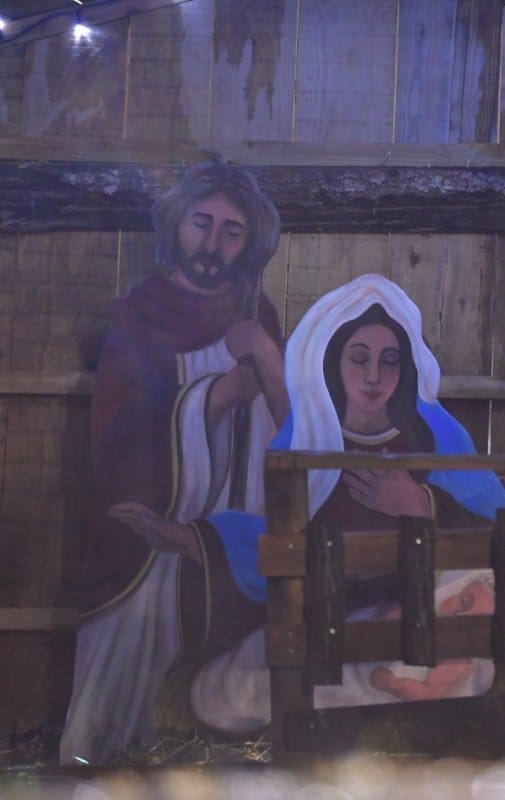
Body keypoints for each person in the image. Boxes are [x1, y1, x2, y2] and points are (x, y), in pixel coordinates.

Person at [149, 274, 505, 736]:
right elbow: (274, 538)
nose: (374, 376)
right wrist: (191, 537)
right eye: (359, 359)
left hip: (435, 613)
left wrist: (420, 504)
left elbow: (498, 536)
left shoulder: (438, 437)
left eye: (389, 361)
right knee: (242, 683)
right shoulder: (308, 442)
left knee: (478, 608)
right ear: (334, 360)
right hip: (344, 621)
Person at [60, 159, 286, 765]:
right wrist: (218, 396)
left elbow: (292, 428)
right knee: (121, 714)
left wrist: (266, 360)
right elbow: (119, 434)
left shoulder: (257, 315)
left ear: (249, 242)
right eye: (200, 224)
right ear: (176, 226)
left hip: (229, 534)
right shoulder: (140, 316)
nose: (213, 244)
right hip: (147, 548)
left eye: (231, 231)